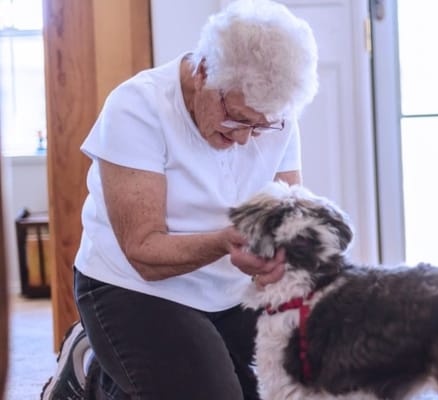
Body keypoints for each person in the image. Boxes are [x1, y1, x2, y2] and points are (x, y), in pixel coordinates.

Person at [41, 0, 318, 398]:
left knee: (299, 379)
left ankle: (114, 373)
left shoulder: (270, 111)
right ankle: (92, 377)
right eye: (237, 118)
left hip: (228, 288)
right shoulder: (137, 107)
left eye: (260, 127)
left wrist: (280, 253)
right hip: (135, 288)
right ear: (204, 70)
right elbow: (143, 251)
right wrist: (227, 241)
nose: (244, 137)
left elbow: (285, 212)